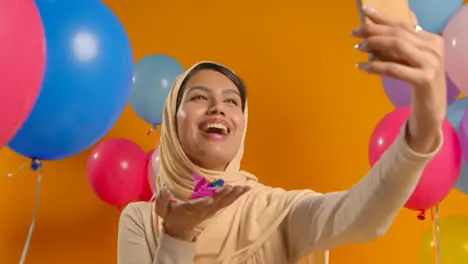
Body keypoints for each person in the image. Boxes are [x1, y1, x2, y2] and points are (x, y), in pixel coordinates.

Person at [118, 6, 447, 264]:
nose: (218, 107)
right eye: (200, 97)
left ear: (242, 122)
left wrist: (424, 130)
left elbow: (362, 214)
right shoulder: (140, 220)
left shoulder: (277, 211)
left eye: (232, 101)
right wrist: (177, 235)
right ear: (172, 119)